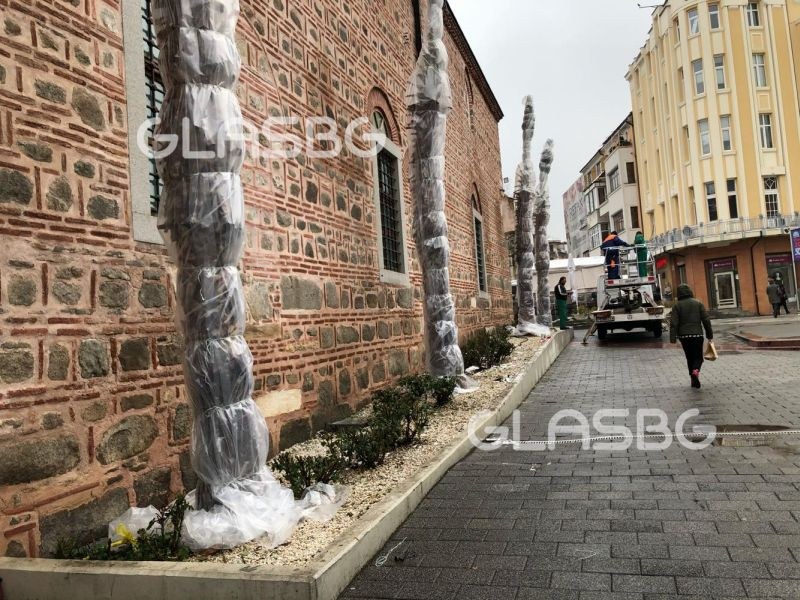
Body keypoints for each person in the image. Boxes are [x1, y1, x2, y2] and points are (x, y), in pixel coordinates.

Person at [670, 284, 713, 389]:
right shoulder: (698, 303)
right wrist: (709, 335)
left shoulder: (677, 306)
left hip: (684, 337)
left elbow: (674, 323)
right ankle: (696, 371)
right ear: (690, 291)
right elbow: (706, 320)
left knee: (689, 358)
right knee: (698, 357)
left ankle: (693, 380)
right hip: (697, 335)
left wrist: (673, 338)